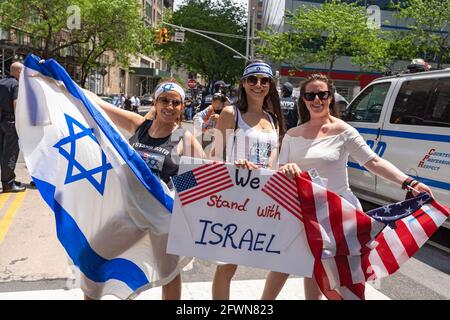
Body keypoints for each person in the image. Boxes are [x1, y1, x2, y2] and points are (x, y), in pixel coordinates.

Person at [261, 73, 433, 300]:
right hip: (303, 211)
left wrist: (409, 182)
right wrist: (287, 168)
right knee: (286, 261)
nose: (316, 100)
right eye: (310, 95)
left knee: (336, 274)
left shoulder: (345, 131)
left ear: (330, 97)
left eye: (322, 94)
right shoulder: (292, 135)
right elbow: (280, 171)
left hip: (340, 213)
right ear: (303, 99)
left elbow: (374, 162)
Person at [84, 80, 205, 300]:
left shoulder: (184, 138)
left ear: (181, 107)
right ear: (156, 102)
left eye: (176, 102)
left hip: (162, 218)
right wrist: (60, 80)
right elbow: (99, 105)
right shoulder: (140, 126)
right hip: (130, 212)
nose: (169, 106)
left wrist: (173, 192)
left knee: (169, 274)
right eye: (165, 100)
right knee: (92, 261)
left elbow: (203, 176)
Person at [210, 60, 285, 299]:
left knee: (275, 257)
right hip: (235, 199)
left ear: (270, 85)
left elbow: (273, 161)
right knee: (228, 265)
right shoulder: (232, 113)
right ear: (243, 83)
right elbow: (215, 156)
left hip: (263, 201)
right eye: (252, 79)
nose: (258, 85)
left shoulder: (272, 118)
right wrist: (235, 166)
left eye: (264, 81)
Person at [0, 61, 26, 193]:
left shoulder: (2, 82)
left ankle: (8, 179)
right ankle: (8, 183)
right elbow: (16, 104)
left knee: (3, 153)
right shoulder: (16, 84)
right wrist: (20, 123)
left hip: (1, 122)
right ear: (18, 72)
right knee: (10, 153)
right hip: (11, 123)